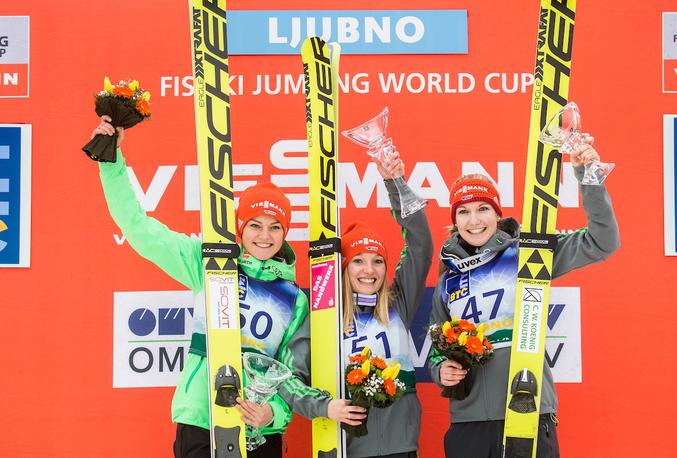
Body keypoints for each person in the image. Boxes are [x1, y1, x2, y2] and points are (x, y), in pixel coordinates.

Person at [89, 116, 309, 458]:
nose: (264, 236)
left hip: (258, 429)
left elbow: (293, 375)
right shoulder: (211, 262)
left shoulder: (294, 298)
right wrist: (112, 163)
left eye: (274, 227)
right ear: (240, 228)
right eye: (255, 225)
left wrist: (273, 415)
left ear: (285, 233)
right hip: (202, 418)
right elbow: (140, 229)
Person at [428, 134, 620, 458]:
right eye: (463, 212)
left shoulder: (529, 252)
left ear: (497, 213)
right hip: (469, 421)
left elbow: (603, 241)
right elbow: (436, 346)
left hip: (528, 408)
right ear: (454, 220)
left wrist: (588, 178)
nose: (474, 221)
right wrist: (440, 369)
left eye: (483, 209)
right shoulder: (449, 278)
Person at [280, 151, 433, 458]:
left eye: (377, 261)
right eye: (358, 261)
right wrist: (326, 406)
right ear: (344, 269)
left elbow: (421, 244)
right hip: (345, 449)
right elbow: (287, 379)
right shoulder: (324, 318)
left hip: (401, 448)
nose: (369, 270)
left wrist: (396, 183)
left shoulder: (396, 304)